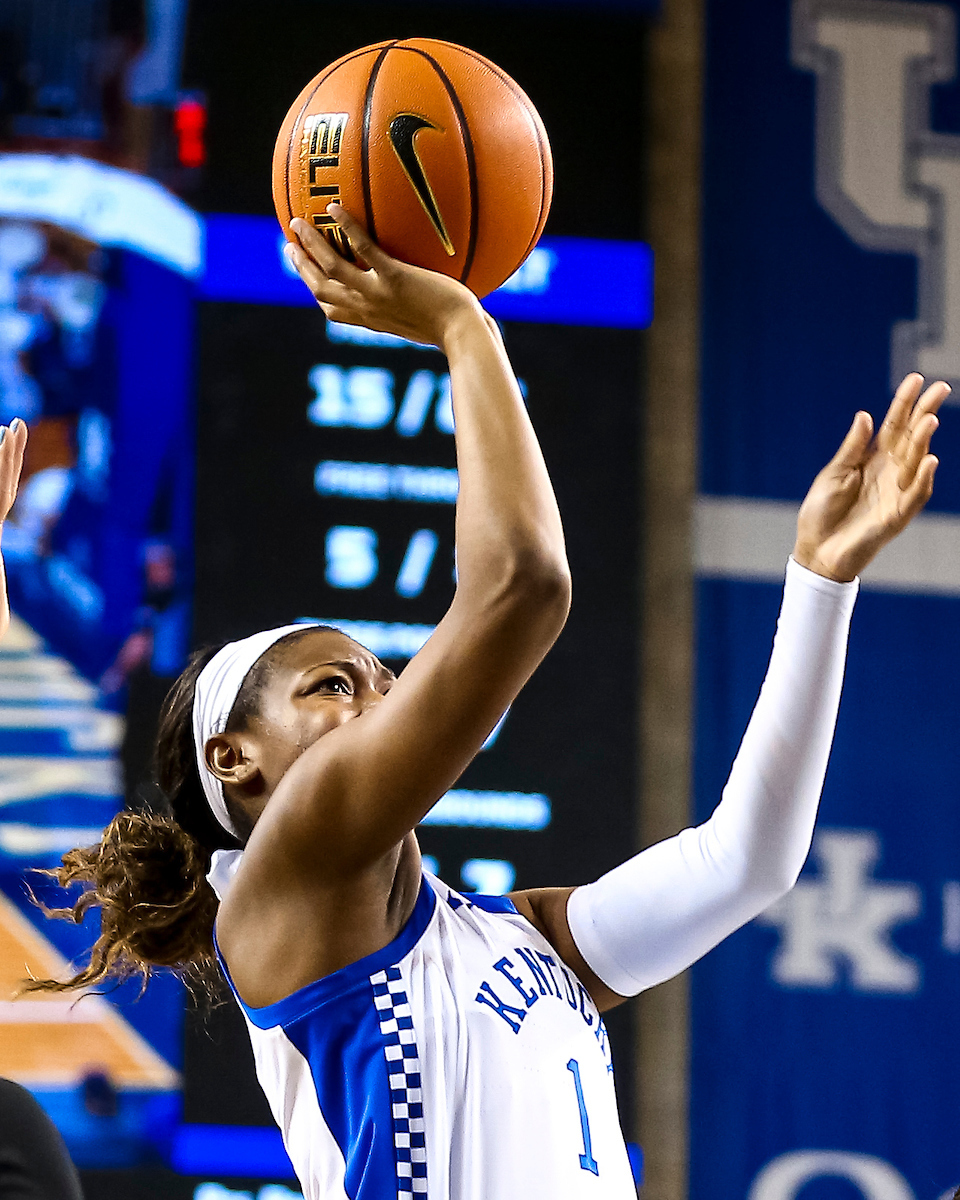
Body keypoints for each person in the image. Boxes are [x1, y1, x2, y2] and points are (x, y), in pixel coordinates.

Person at [28, 208, 945, 1200]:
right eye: (334, 685)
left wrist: (819, 582)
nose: (385, 697)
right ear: (234, 758)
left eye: (389, 676)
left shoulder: (515, 936)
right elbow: (521, 586)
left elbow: (747, 863)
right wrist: (465, 328)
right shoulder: (282, 878)